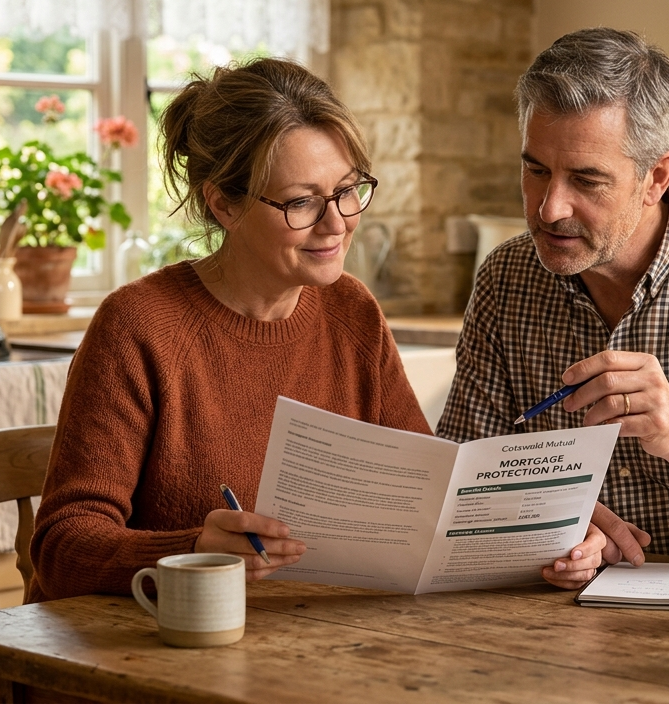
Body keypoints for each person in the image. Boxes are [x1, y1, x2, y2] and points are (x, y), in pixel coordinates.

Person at [30, 59, 431, 601]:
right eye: (301, 202)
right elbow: (62, 549)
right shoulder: (138, 327)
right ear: (223, 204)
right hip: (154, 654)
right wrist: (194, 553)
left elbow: (425, 493)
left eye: (347, 189)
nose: (337, 221)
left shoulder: (352, 312)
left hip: (309, 644)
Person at [436, 28, 669, 590]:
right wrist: (552, 523)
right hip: (548, 628)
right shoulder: (505, 279)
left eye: (586, 179)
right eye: (536, 169)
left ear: (656, 178)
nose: (549, 207)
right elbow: (461, 480)